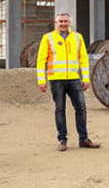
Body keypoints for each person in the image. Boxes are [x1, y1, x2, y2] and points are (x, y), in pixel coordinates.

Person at [36, 13, 100, 151]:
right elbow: (41, 61)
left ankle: (83, 139)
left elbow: (83, 59)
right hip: (56, 80)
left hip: (73, 79)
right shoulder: (48, 38)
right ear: (56, 22)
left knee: (81, 108)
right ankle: (62, 140)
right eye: (61, 21)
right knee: (60, 109)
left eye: (66, 21)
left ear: (69, 22)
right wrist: (42, 81)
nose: (63, 24)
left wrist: (86, 79)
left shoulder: (77, 37)